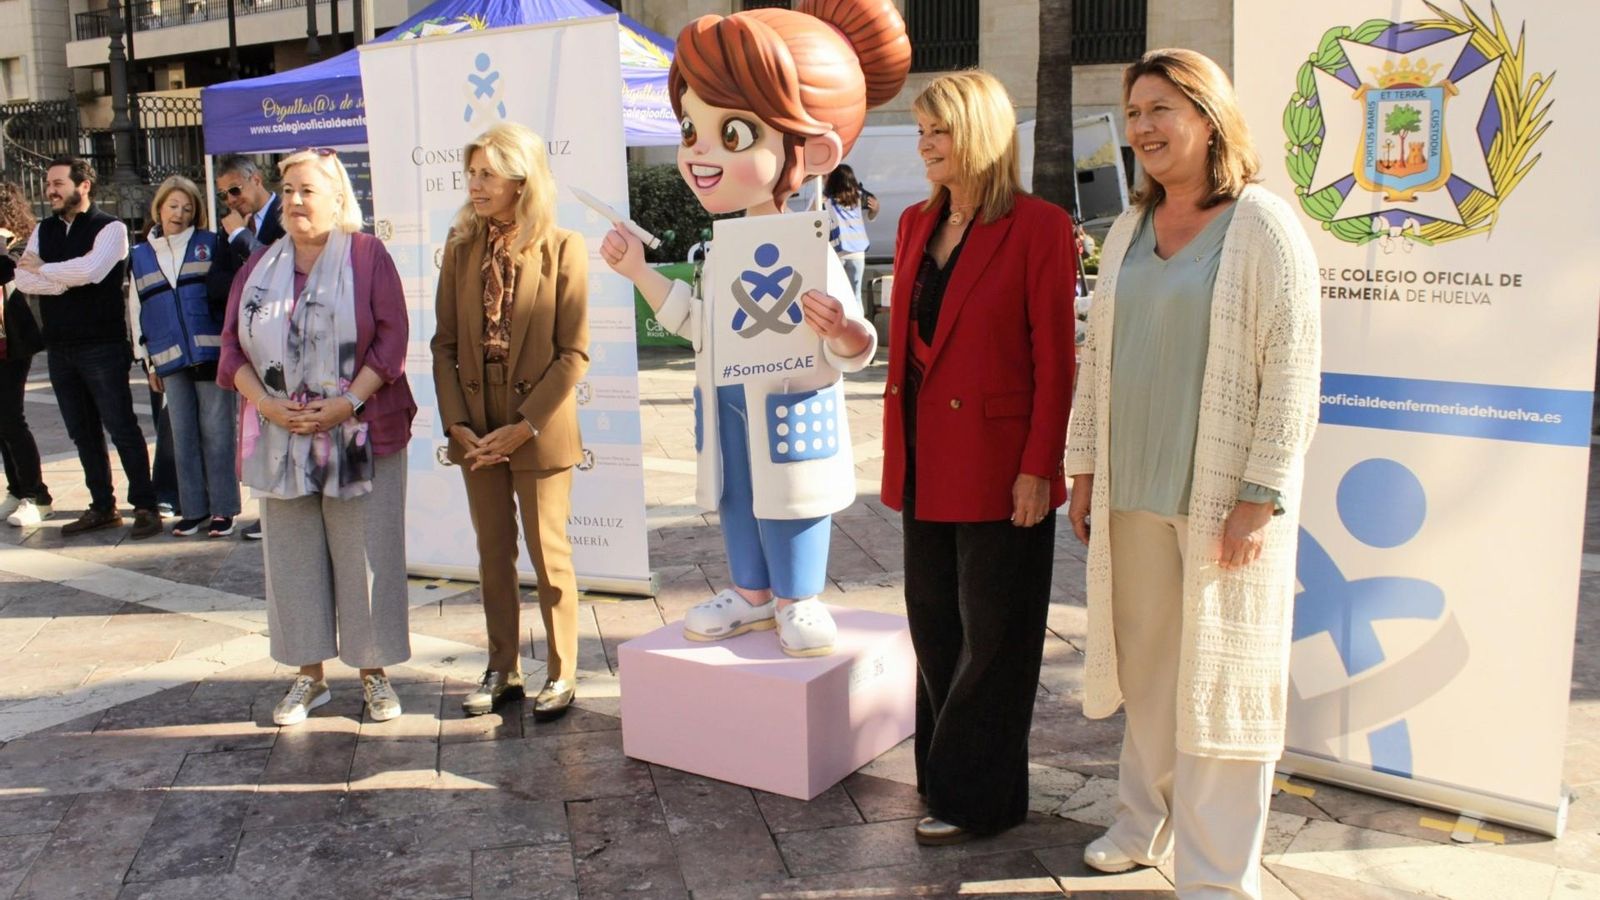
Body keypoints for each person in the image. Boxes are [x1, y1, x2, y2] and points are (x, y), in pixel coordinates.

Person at [1064, 49, 1321, 898]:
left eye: (1161, 110)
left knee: (1223, 685)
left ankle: (1217, 875)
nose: (1142, 128)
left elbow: (1293, 371)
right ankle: (1142, 822)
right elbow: (1097, 359)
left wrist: (1259, 496)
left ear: (1209, 119)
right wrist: (1084, 468)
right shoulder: (1129, 228)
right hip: (1132, 490)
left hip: (1221, 501)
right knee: (1148, 677)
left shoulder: (1263, 225)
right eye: (1134, 112)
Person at [602, 0, 910, 658]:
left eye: (734, 133)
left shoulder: (810, 243)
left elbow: (856, 341)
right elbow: (697, 323)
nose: (699, 151)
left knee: (793, 494)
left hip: (790, 400)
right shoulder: (722, 250)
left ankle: (798, 597)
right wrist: (638, 272)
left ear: (813, 150)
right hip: (726, 403)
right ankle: (751, 592)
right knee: (736, 493)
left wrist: (843, 332)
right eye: (691, 129)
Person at [878, 70, 1077, 846]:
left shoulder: (1040, 226)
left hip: (1002, 467)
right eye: (921, 131)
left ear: (982, 135)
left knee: (995, 639)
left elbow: (1055, 360)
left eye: (941, 131)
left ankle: (979, 800)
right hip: (924, 459)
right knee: (934, 628)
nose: (925, 145)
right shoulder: (912, 224)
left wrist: (1039, 468)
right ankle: (943, 779)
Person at [218, 149, 417, 727]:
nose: (294, 200)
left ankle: (374, 672)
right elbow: (231, 348)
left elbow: (392, 341)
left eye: (307, 190)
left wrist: (347, 402)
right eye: (287, 190)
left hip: (359, 433)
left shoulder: (367, 255)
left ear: (337, 197)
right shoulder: (259, 266)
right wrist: (267, 405)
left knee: (365, 556)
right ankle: (310, 675)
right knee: (293, 558)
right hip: (280, 436)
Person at [433, 123, 589, 721]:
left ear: (521, 181)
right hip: (476, 423)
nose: (474, 184)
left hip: (539, 422)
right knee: (493, 554)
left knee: (549, 554)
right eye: (471, 173)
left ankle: (562, 669)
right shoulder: (459, 248)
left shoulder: (564, 247)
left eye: (487, 174)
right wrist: (457, 424)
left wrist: (524, 426)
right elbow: (444, 346)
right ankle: (503, 667)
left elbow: (573, 354)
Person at [12, 157, 161, 539]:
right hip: (60, 349)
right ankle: (102, 507)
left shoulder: (111, 228)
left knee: (122, 428)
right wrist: (63, 276)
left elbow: (92, 271)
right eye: (49, 184)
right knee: (82, 433)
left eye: (58, 183)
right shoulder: (44, 230)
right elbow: (23, 280)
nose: (50, 190)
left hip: (102, 347)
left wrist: (45, 270)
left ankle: (145, 505)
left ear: (83, 186)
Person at [126, 176, 241, 538]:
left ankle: (223, 509)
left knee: (218, 433)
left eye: (188, 208)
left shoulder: (211, 244)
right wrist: (146, 360)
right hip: (167, 356)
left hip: (210, 353)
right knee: (182, 436)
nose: (180, 213)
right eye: (173, 206)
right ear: (159, 208)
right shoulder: (140, 255)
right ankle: (192, 510)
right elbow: (136, 309)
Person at [216, 153, 285, 542]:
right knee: (259, 433)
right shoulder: (231, 225)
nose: (231, 200)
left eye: (235, 190)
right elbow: (216, 284)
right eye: (224, 195)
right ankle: (268, 508)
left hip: (283, 341)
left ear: (256, 179)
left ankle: (281, 507)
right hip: (250, 344)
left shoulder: (283, 217)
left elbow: (277, 272)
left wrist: (242, 240)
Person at [0, 182, 52, 528]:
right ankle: (17, 488)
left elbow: (8, 270)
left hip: (13, 343)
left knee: (10, 418)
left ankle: (37, 495)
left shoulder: (20, 242)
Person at [824, 164, 877, 299]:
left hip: (838, 251)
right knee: (856, 296)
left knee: (836, 296)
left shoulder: (827, 201)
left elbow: (809, 215)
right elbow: (873, 207)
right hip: (858, 252)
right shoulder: (858, 198)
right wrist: (875, 210)